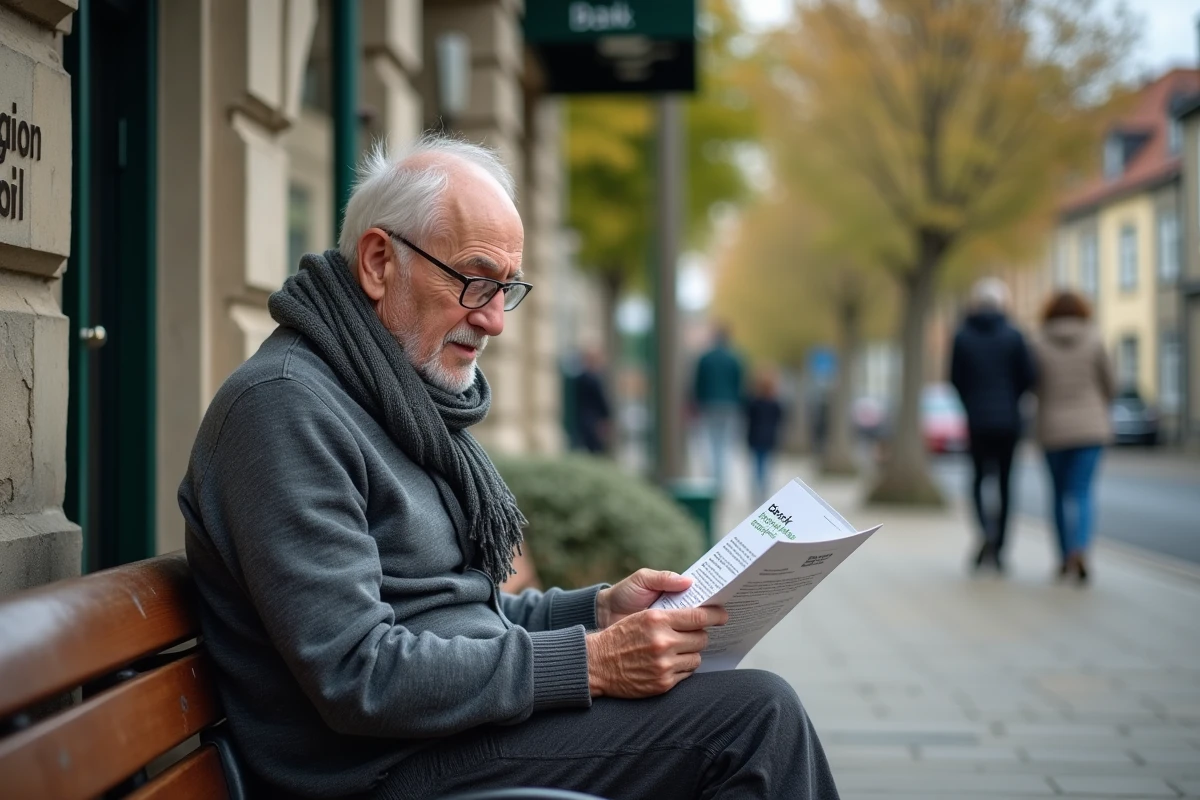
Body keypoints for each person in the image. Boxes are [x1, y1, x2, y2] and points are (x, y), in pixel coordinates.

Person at [178, 135, 839, 800]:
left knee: (749, 708)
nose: (494, 320)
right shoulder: (285, 408)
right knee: (758, 719)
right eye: (474, 279)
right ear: (379, 262)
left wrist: (600, 611)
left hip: (444, 740)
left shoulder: (391, 396)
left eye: (507, 288)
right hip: (381, 771)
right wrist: (593, 663)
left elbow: (459, 618)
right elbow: (360, 674)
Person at [949, 277, 1036, 572]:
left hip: (976, 421)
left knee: (976, 480)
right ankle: (999, 547)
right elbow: (1028, 377)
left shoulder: (962, 336)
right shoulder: (1014, 335)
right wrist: (1012, 401)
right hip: (1009, 422)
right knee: (1006, 484)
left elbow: (954, 379)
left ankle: (984, 530)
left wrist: (970, 403)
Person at [1030, 291, 1116, 584]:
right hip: (1090, 428)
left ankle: (1063, 557)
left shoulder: (1039, 344)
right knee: (1081, 492)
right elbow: (1110, 383)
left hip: (1052, 429)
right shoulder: (1094, 339)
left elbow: (1033, 386)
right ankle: (1080, 549)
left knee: (1057, 494)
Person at [692, 326, 745, 486]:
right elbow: (740, 384)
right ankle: (721, 482)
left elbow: (698, 383)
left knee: (710, 443)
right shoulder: (734, 358)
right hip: (729, 405)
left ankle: (713, 481)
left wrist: (697, 402)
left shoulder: (705, 358)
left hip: (708, 404)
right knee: (725, 445)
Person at [744, 369, 786, 506]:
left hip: (755, 438)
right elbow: (780, 420)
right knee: (767, 466)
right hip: (769, 439)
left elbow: (748, 419)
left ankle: (757, 493)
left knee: (757, 466)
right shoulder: (775, 404)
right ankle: (764, 491)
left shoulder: (754, 402)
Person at [572, 348, 612, 455]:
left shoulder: (584, 378)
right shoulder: (591, 379)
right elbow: (601, 401)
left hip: (588, 420)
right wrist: (605, 419)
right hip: (593, 421)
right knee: (595, 450)